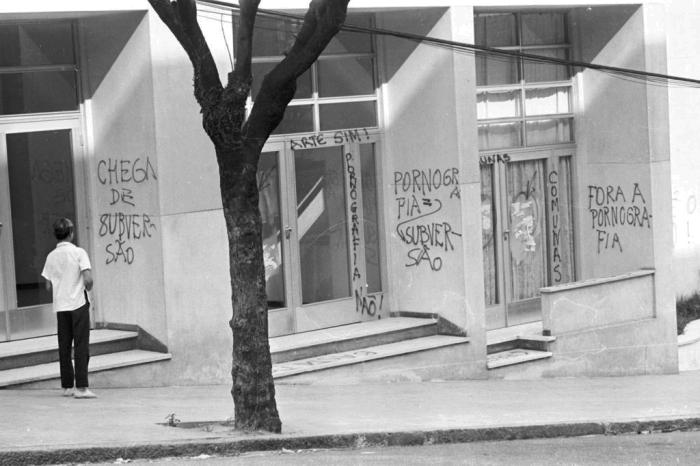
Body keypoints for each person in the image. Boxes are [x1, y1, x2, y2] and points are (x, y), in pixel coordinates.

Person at [41, 218, 96, 399]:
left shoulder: (50, 256)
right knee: (81, 346)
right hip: (78, 304)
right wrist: (87, 289)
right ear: (71, 233)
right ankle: (81, 388)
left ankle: (66, 386)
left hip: (61, 306)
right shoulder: (79, 252)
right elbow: (87, 279)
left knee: (64, 346)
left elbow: (48, 285)